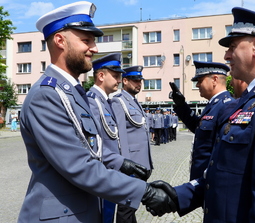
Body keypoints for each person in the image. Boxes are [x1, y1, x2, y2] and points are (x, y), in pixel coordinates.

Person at [17, 2, 176, 222]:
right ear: (60, 41)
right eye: (86, 40)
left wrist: (122, 163)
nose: (95, 48)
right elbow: (79, 165)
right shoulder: (47, 95)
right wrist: (143, 192)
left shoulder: (72, 91)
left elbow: (91, 147)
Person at [148, 7, 255, 223]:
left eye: (232, 47)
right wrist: (176, 196)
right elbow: (225, 174)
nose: (227, 55)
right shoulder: (250, 99)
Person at [87, 54, 150, 223]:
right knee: (105, 216)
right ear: (101, 76)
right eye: (115, 76)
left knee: (110, 214)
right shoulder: (93, 102)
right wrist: (123, 163)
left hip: (112, 171)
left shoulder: (105, 101)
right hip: (104, 171)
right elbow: (93, 144)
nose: (119, 80)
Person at [170, 61, 234, 180]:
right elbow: (198, 127)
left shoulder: (227, 106)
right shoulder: (214, 104)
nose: (197, 85)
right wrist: (181, 105)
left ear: (214, 80)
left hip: (209, 179)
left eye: (200, 81)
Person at [111, 65, 153, 223]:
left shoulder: (134, 102)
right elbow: (120, 137)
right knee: (126, 209)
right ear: (125, 81)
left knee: (131, 207)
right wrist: (125, 166)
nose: (139, 83)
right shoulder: (119, 102)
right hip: (131, 167)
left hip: (141, 165)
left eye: (140, 80)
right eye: (135, 80)